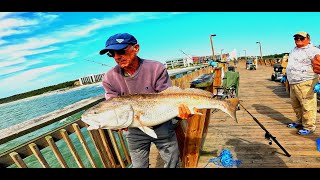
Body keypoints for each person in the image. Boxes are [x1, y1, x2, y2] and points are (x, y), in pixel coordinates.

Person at [99, 33, 193, 168]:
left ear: (136, 48)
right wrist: (113, 123)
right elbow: (112, 107)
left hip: (162, 124)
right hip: (133, 130)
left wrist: (181, 112)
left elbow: (168, 96)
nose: (116, 57)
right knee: (138, 166)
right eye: (111, 54)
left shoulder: (156, 68)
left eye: (120, 51)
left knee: (173, 161)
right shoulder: (109, 78)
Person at [286, 31, 320, 135]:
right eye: (296, 38)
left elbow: (319, 64)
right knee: (296, 105)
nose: (298, 40)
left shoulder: (313, 50)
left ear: (308, 39)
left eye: (301, 38)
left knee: (307, 105)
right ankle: (299, 121)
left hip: (306, 82)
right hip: (293, 82)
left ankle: (309, 126)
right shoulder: (294, 50)